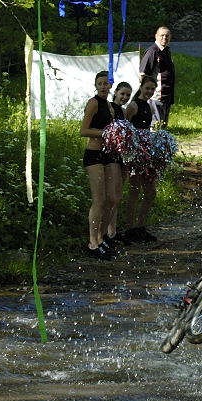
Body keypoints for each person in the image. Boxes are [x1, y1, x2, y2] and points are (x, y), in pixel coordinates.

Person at [79, 71, 124, 260]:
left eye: (106, 83)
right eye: (100, 84)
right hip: (94, 155)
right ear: (96, 86)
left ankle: (102, 236)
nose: (103, 86)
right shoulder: (94, 103)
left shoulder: (111, 106)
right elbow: (83, 130)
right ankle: (92, 242)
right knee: (99, 200)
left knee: (112, 198)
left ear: (111, 85)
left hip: (109, 154)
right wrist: (105, 133)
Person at [121, 75, 158, 243]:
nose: (150, 91)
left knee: (151, 192)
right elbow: (125, 130)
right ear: (141, 87)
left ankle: (141, 226)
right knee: (134, 191)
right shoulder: (133, 106)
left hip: (147, 153)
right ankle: (130, 228)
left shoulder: (150, 107)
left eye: (152, 89)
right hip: (135, 154)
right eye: (147, 88)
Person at [104, 81, 132, 247]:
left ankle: (112, 231)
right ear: (115, 92)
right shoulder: (110, 108)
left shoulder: (122, 111)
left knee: (118, 195)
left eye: (128, 95)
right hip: (110, 155)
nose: (125, 97)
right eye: (122, 94)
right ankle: (106, 232)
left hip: (121, 156)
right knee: (112, 196)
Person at [139, 26, 175, 127]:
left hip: (167, 93)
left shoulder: (166, 50)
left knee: (163, 125)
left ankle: (163, 141)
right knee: (155, 126)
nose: (164, 38)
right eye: (162, 35)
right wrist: (147, 93)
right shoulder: (152, 51)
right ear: (156, 36)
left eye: (167, 36)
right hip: (156, 95)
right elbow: (143, 74)